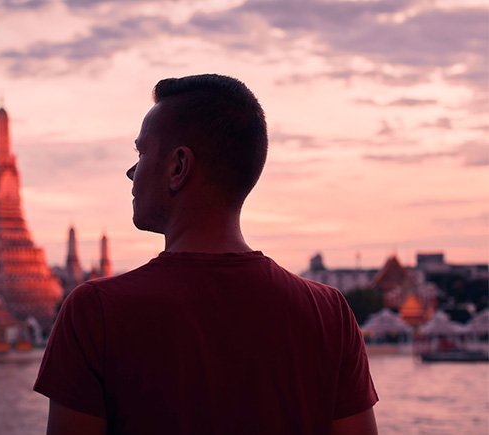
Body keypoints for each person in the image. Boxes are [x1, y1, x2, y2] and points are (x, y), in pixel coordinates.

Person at [33, 74, 378, 434]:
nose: (131, 172)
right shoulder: (329, 315)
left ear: (178, 167)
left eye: (141, 152)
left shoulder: (95, 313)